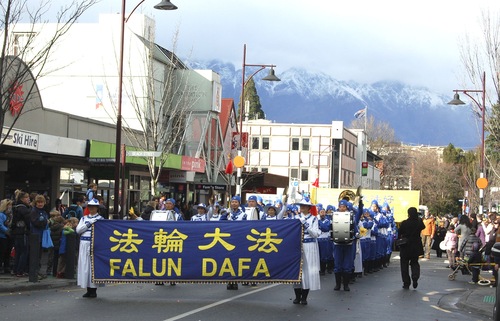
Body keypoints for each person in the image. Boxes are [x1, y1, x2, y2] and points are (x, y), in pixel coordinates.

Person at [292, 198, 321, 305]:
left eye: (304, 205)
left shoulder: (314, 219)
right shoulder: (295, 218)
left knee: (308, 271)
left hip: (309, 245)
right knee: (297, 270)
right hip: (297, 245)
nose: (302, 207)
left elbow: (315, 234)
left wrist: (306, 225)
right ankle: (297, 296)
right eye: (301, 205)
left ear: (309, 208)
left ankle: (304, 297)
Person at [76, 198, 105, 298]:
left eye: (94, 207)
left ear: (97, 208)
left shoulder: (101, 219)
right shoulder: (84, 219)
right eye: (90, 206)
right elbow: (78, 230)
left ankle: (93, 290)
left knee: (92, 267)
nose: (92, 208)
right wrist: (89, 223)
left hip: (94, 244)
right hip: (84, 243)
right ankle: (88, 289)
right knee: (84, 266)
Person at [333, 199, 363, 291]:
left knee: (347, 264)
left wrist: (360, 205)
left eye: (344, 207)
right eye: (340, 206)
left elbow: (354, 227)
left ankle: (346, 285)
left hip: (349, 244)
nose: (342, 208)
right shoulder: (334, 216)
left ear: (346, 207)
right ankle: (338, 284)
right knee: (337, 264)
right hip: (337, 243)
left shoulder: (351, 216)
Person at [398, 207, 425, 289]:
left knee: (404, 265)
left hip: (405, 245)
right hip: (416, 245)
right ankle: (415, 276)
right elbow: (423, 227)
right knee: (414, 262)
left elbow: (399, 232)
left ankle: (406, 282)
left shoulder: (404, 223)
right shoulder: (419, 222)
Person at [10, 190, 31, 277]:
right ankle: (20, 270)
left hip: (16, 232)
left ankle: (15, 269)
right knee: (24, 251)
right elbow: (28, 221)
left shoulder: (15, 207)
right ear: (22, 199)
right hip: (23, 232)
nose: (28, 199)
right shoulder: (24, 209)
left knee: (18, 251)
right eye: (26, 197)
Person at [30, 194, 50, 279]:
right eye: (38, 202)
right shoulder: (34, 211)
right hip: (36, 235)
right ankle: (34, 272)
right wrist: (45, 222)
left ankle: (38, 271)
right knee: (36, 254)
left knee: (40, 255)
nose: (40, 204)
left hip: (43, 235)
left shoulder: (44, 211)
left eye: (42, 202)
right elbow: (35, 222)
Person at [317, 207, 334, 275]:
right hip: (319, 239)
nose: (322, 213)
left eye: (323, 212)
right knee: (320, 255)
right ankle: (322, 269)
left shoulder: (327, 220)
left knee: (328, 254)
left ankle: (329, 268)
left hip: (326, 239)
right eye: (321, 212)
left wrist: (320, 226)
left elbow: (326, 228)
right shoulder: (317, 220)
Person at [0, 199, 13, 274]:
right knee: (2, 252)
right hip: (2, 236)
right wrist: (7, 231)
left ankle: (6, 267)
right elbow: (0, 225)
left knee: (8, 252)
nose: (10, 207)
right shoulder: (1, 215)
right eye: (9, 205)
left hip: (9, 236)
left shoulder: (11, 215)